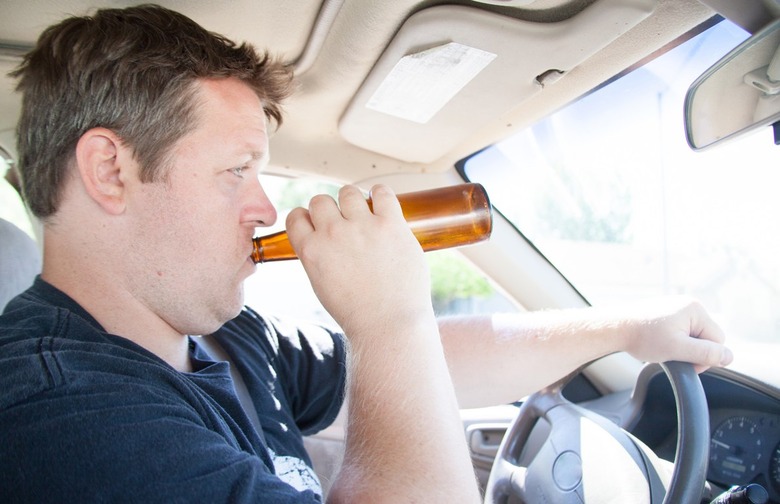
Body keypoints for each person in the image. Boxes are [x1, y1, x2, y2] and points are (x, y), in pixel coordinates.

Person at [0, 4, 732, 503]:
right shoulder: (56, 414)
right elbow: (399, 348)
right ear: (110, 171)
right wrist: (388, 322)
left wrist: (625, 329)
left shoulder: (223, 334)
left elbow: (439, 360)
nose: (266, 209)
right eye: (236, 170)